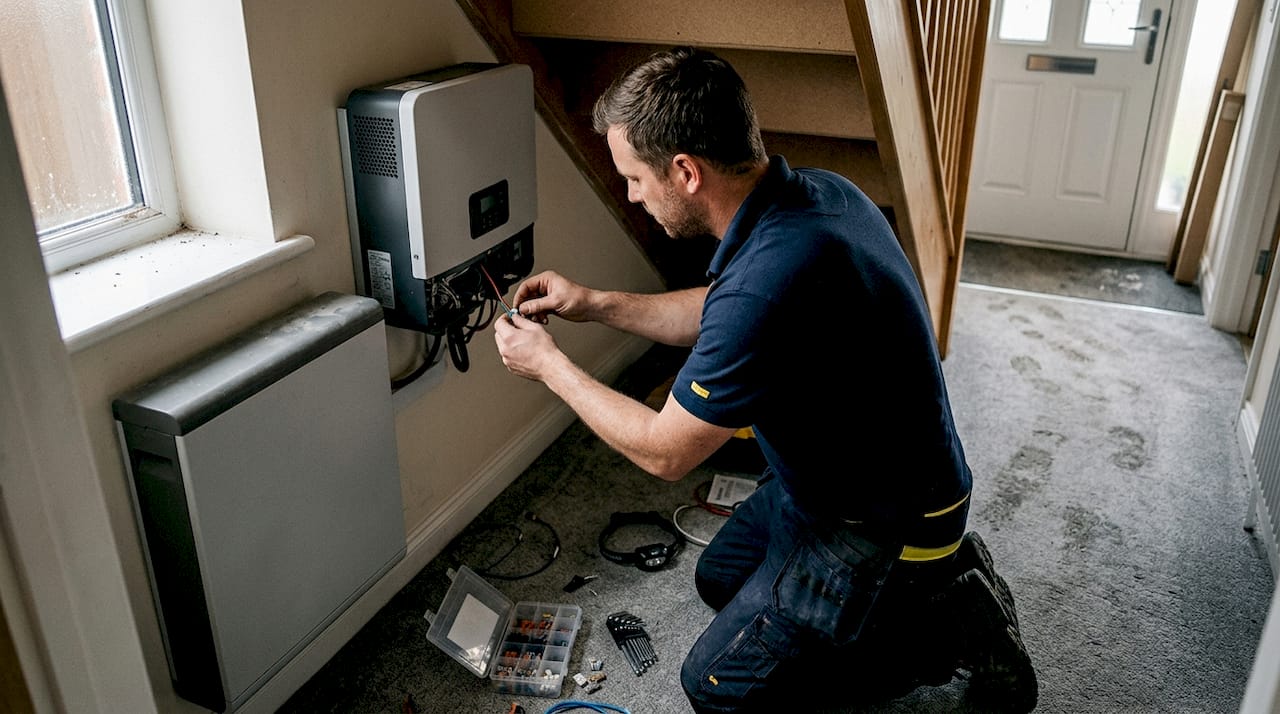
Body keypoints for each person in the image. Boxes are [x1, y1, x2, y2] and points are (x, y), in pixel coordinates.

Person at [493, 46, 1037, 712]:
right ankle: (886, 618)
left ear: (685, 172)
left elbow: (665, 452)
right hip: (845, 481)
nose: (632, 197)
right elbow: (722, 312)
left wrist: (549, 364)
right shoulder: (814, 196)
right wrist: (598, 303)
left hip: (886, 523)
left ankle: (947, 640)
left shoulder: (771, 282)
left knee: (718, 687)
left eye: (635, 179)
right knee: (721, 579)